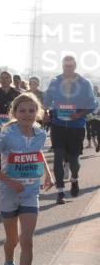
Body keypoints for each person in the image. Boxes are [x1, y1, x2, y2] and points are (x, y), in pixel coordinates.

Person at [0, 93, 54, 265]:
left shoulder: (40, 133)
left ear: (38, 113)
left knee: (27, 240)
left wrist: (48, 173)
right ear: (14, 113)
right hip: (8, 192)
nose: (27, 114)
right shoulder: (5, 135)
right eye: (22, 111)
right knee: (12, 240)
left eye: (31, 111)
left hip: (30, 191)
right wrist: (9, 181)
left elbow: (37, 153)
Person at [42, 56, 98, 204]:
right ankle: (60, 191)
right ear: (62, 66)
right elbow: (46, 101)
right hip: (58, 126)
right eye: (65, 66)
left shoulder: (85, 83)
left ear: (75, 66)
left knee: (74, 162)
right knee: (58, 157)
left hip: (76, 127)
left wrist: (79, 114)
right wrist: (45, 112)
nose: (67, 68)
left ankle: (74, 178)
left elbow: (92, 105)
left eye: (70, 66)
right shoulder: (55, 82)